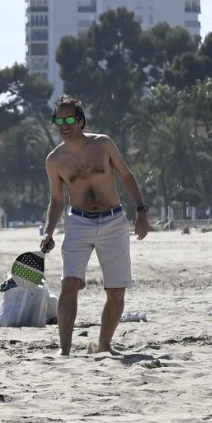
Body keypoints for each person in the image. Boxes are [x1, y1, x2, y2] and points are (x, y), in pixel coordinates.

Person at [39, 96, 150, 356]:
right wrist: (48, 231)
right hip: (77, 222)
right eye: (59, 120)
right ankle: (64, 350)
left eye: (69, 120)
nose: (63, 125)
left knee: (115, 289)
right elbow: (56, 200)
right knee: (69, 284)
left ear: (81, 121)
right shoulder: (54, 160)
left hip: (114, 221)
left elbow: (126, 176)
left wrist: (141, 211)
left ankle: (104, 344)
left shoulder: (103, 144)